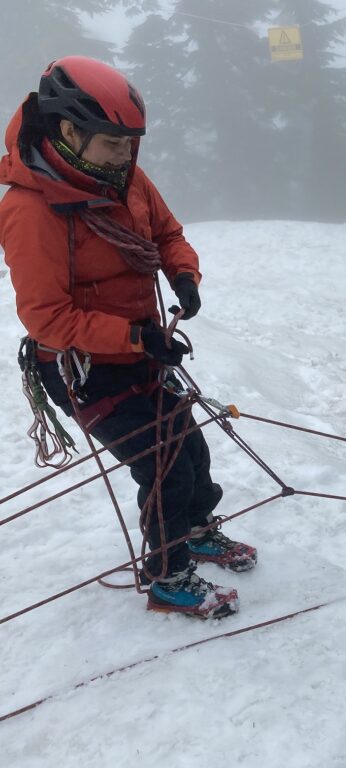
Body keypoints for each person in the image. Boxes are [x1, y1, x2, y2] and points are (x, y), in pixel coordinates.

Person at [0, 56, 257, 619]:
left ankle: (194, 532)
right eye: (114, 142)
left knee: (190, 444)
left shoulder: (123, 176)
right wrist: (137, 337)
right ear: (68, 132)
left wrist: (183, 275)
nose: (126, 155)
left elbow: (167, 233)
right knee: (162, 460)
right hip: (80, 367)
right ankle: (168, 575)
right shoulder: (30, 209)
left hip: (138, 347)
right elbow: (46, 317)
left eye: (131, 142)